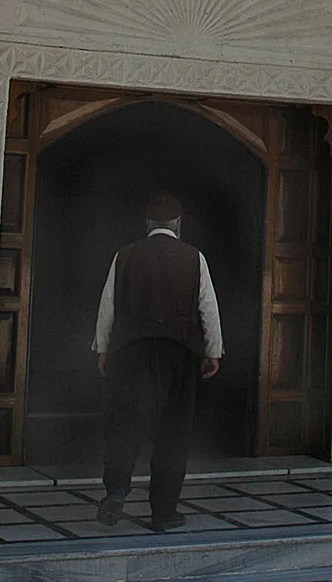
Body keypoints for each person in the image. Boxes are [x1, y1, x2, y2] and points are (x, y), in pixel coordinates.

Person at [92, 192, 223, 531]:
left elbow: (108, 305)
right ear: (178, 224)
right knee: (173, 434)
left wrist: (103, 349)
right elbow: (208, 307)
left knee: (124, 426)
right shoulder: (194, 258)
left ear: (147, 223)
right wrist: (213, 351)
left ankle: (117, 489)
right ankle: (164, 512)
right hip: (177, 355)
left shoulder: (125, 255)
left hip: (130, 353)